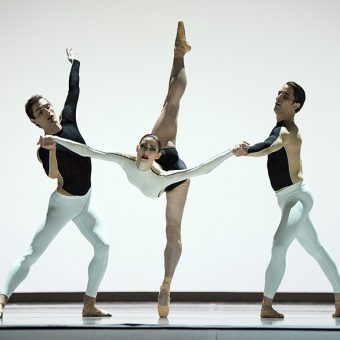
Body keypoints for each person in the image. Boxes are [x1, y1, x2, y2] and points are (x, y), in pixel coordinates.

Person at [39, 22, 234, 318]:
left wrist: (231, 152)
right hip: (160, 168)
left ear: (156, 153)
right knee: (170, 101)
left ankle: (166, 283)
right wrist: (58, 141)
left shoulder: (168, 173)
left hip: (172, 178)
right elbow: (89, 151)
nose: (145, 150)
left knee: (172, 229)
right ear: (140, 148)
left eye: (150, 148)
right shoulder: (127, 159)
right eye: (144, 145)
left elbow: (202, 170)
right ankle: (179, 53)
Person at [0, 49, 111, 318]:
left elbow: (74, 90)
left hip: (85, 200)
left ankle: (89, 304)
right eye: (40, 111)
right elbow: (53, 176)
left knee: (103, 246)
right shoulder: (43, 148)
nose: (47, 111)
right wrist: (50, 150)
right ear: (34, 121)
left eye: (47, 106)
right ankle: (2, 301)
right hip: (63, 205)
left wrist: (76, 63)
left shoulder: (69, 119)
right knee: (32, 253)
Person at [233, 81, 340, 318]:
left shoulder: (287, 132)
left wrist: (247, 151)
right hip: (287, 199)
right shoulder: (280, 129)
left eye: (286, 95)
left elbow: (268, 147)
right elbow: (268, 144)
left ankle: (266, 305)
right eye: (279, 93)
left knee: (279, 244)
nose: (279, 97)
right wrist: (250, 148)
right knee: (317, 250)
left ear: (295, 105)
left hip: (297, 198)